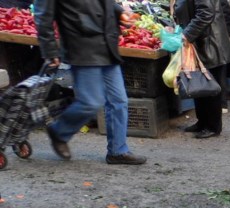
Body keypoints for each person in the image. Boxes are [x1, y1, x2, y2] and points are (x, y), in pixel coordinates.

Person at [33, 0, 147, 165]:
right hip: (81, 46)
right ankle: (59, 132)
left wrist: (119, 12)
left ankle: (118, 151)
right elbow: (43, 16)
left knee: (119, 100)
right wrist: (49, 50)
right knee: (91, 102)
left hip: (106, 44)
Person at [175, 0, 230, 139]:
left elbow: (206, 13)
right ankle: (202, 122)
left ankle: (213, 126)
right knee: (201, 84)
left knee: (211, 86)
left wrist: (187, 34)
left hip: (210, 43)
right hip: (202, 41)